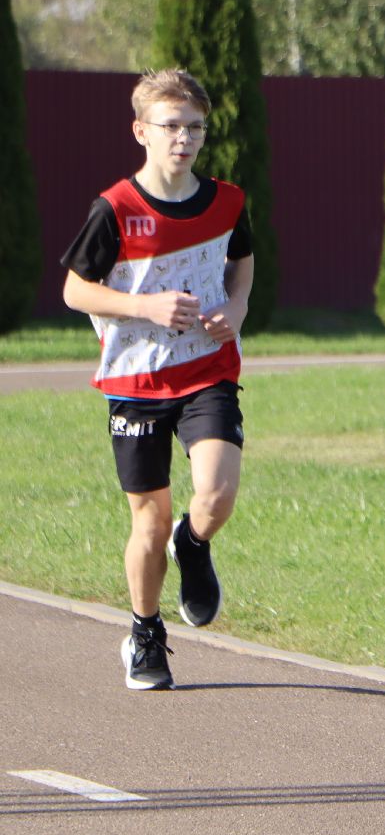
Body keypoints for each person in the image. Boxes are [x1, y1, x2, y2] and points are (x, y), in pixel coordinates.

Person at [60, 68, 254, 691]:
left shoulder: (227, 201)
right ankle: (145, 634)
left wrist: (240, 306)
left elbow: (242, 262)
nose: (184, 139)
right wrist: (145, 306)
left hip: (206, 370)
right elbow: (73, 289)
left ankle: (193, 546)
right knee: (148, 520)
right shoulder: (115, 209)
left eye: (195, 127)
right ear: (141, 130)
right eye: (171, 126)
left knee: (217, 494)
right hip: (136, 383)